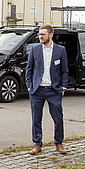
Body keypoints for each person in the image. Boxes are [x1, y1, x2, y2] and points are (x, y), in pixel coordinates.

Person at [26, 24, 69, 155]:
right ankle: (37, 144)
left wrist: (63, 87)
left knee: (58, 118)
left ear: (50, 35)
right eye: (39, 34)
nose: (40, 37)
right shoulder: (35, 49)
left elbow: (64, 71)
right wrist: (29, 86)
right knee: (36, 118)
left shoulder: (60, 50)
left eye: (43, 34)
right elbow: (29, 69)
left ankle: (59, 143)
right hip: (37, 90)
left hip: (54, 90)